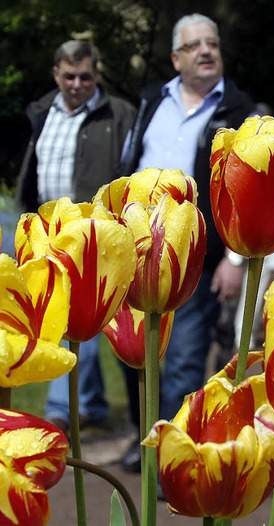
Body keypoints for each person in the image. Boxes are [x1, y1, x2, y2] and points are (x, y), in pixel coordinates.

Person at [119, 13, 257, 472]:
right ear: (176, 58)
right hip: (133, 251)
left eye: (212, 43)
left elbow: (245, 192)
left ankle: (171, 459)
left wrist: (235, 258)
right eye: (195, 45)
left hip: (197, 256)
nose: (206, 51)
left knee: (182, 359)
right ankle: (145, 439)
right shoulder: (149, 103)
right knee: (134, 354)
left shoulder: (240, 111)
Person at [16, 40, 136, 433]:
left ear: (96, 74)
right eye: (69, 76)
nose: (77, 83)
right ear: (56, 74)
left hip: (93, 232)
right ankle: (91, 403)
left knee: (78, 318)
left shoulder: (119, 113)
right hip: (47, 228)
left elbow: (131, 168)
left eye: (85, 76)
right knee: (61, 316)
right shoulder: (40, 111)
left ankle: (61, 409)